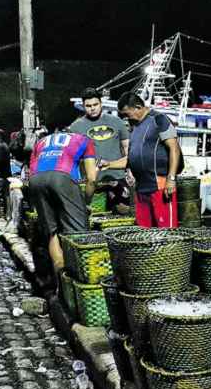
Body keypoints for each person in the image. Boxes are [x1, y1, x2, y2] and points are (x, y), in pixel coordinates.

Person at [27, 121, 97, 301]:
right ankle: (79, 290)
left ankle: (60, 287)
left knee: (52, 232)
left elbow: (31, 172)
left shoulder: (41, 142)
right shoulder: (84, 139)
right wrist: (85, 202)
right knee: (77, 234)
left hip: (36, 181)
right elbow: (91, 178)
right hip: (62, 177)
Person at [102, 93, 181, 228]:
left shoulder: (159, 119)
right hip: (141, 189)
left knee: (167, 234)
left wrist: (171, 179)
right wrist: (109, 164)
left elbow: (174, 149)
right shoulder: (135, 127)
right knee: (144, 233)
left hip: (160, 186)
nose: (126, 119)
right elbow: (132, 159)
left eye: (127, 114)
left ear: (138, 107)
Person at [69, 88, 131, 214]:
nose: (92, 108)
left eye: (95, 104)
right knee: (91, 217)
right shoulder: (75, 127)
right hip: (92, 182)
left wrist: (130, 171)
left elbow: (127, 149)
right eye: (88, 106)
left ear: (101, 103)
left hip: (117, 177)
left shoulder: (117, 122)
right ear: (83, 106)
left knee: (122, 215)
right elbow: (72, 157)